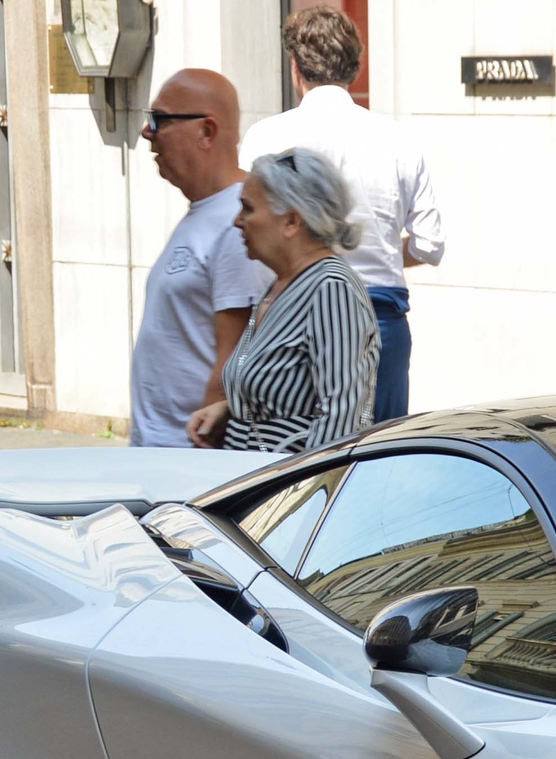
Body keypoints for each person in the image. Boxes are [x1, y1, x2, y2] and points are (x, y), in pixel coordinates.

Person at [240, 6, 441, 422]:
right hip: (380, 316)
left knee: (293, 462)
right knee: (376, 461)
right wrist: (381, 249)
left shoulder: (266, 136)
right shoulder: (400, 140)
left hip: (292, 316)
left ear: (295, 68)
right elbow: (430, 245)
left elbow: (248, 231)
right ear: (353, 67)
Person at [189, 149, 377, 454]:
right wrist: (230, 411)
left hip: (290, 495)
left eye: (248, 209)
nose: (237, 222)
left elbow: (342, 418)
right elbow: (285, 395)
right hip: (252, 487)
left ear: (291, 220)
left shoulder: (331, 288)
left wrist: (299, 497)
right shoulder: (281, 286)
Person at [129, 69, 271, 449]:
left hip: (186, 461)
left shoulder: (239, 220)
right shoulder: (207, 211)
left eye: (160, 120)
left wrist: (199, 456)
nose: (148, 133)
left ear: (207, 131)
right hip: (160, 454)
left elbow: (234, 355)